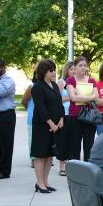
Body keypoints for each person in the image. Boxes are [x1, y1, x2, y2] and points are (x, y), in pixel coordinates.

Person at [30, 59, 64, 193]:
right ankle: (39, 183)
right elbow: (41, 108)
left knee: (50, 155)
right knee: (40, 154)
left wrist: (61, 119)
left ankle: (45, 181)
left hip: (56, 125)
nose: (54, 72)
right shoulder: (37, 87)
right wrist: (51, 123)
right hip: (42, 125)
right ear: (44, 72)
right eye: (51, 70)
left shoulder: (55, 85)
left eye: (54, 69)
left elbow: (59, 104)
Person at [66, 56, 99, 161]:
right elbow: (73, 98)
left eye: (85, 65)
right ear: (75, 67)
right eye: (80, 65)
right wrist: (90, 98)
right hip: (75, 116)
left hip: (89, 116)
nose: (83, 67)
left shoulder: (92, 80)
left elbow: (96, 97)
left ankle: (87, 171)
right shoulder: (70, 80)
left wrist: (82, 97)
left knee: (89, 145)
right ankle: (75, 171)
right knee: (74, 145)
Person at [0, 59, 16, 180]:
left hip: (6, 115)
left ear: (3, 68)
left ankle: (5, 171)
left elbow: (0, 92)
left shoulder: (9, 81)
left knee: (5, 143)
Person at [56, 61, 75, 175]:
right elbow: (56, 99)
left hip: (75, 115)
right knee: (63, 141)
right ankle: (62, 167)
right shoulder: (61, 82)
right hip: (64, 115)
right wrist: (72, 97)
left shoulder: (77, 82)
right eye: (71, 69)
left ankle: (72, 165)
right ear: (66, 70)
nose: (73, 71)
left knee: (73, 141)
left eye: (74, 69)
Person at [21, 72, 38, 168]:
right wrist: (30, 109)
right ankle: (33, 159)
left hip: (46, 118)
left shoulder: (50, 86)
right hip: (33, 118)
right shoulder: (31, 87)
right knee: (32, 139)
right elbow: (23, 101)